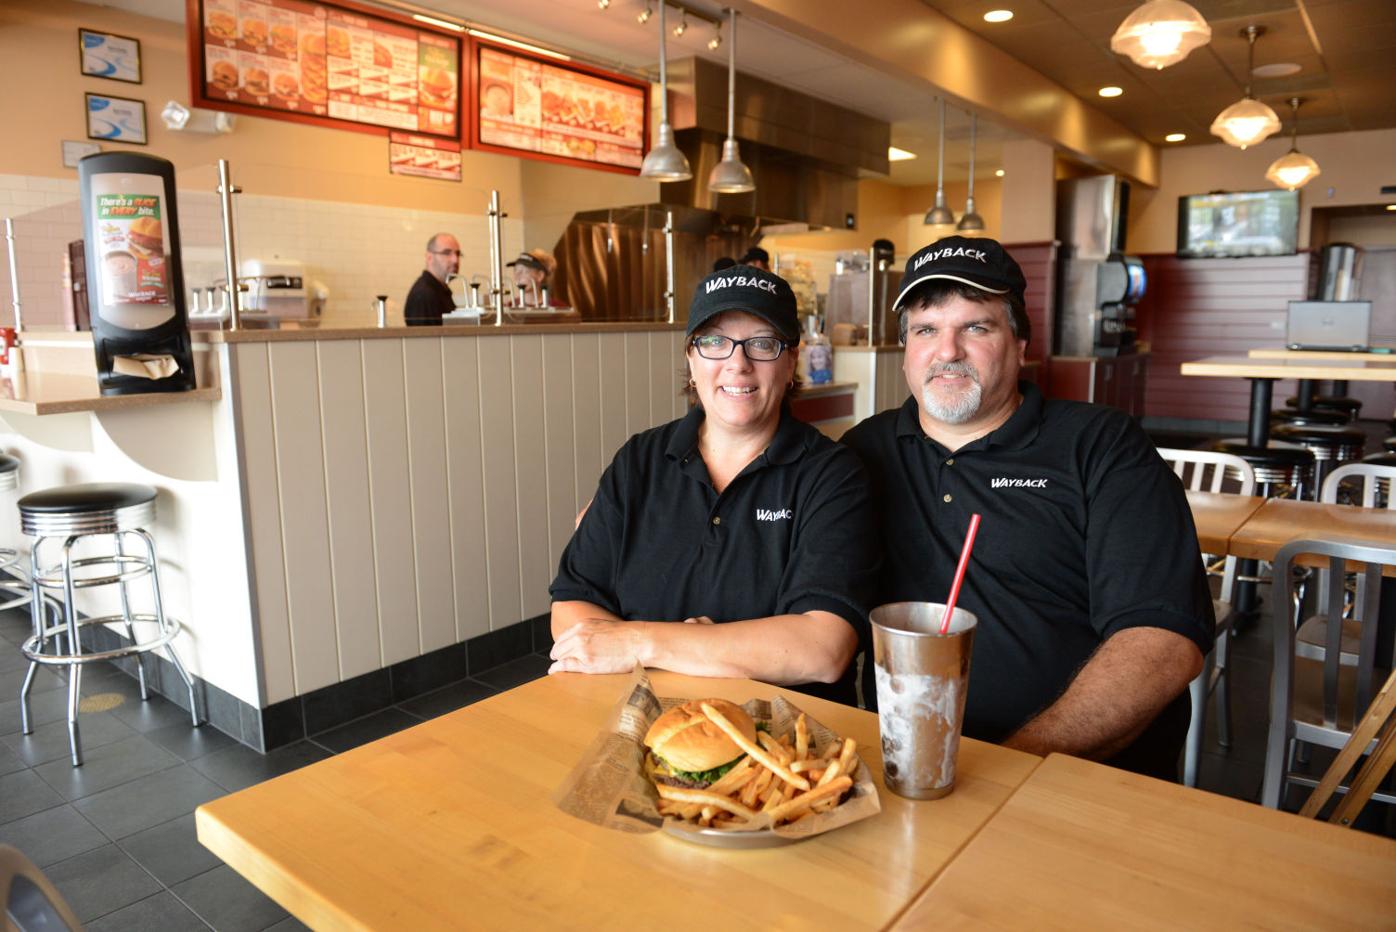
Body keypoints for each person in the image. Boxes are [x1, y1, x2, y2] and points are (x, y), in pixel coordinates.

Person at [841, 236, 1213, 779]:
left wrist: (1009, 767)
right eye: (926, 330)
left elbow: (1162, 644)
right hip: (905, 770)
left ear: (1020, 345)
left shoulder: (1100, 447)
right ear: (906, 352)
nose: (948, 351)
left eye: (976, 327)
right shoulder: (862, 452)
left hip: (1077, 779)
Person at [548, 264, 879, 705]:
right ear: (690, 357)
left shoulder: (832, 476)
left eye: (762, 343)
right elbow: (571, 604)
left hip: (782, 750)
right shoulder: (639, 461)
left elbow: (823, 649)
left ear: (791, 360)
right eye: (715, 342)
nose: (736, 364)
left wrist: (642, 643)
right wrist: (701, 650)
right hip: (637, 725)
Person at [404, 232, 459, 326]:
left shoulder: (439, 291)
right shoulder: (424, 295)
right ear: (429, 257)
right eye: (447, 253)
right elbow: (425, 339)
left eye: (457, 254)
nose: (455, 260)